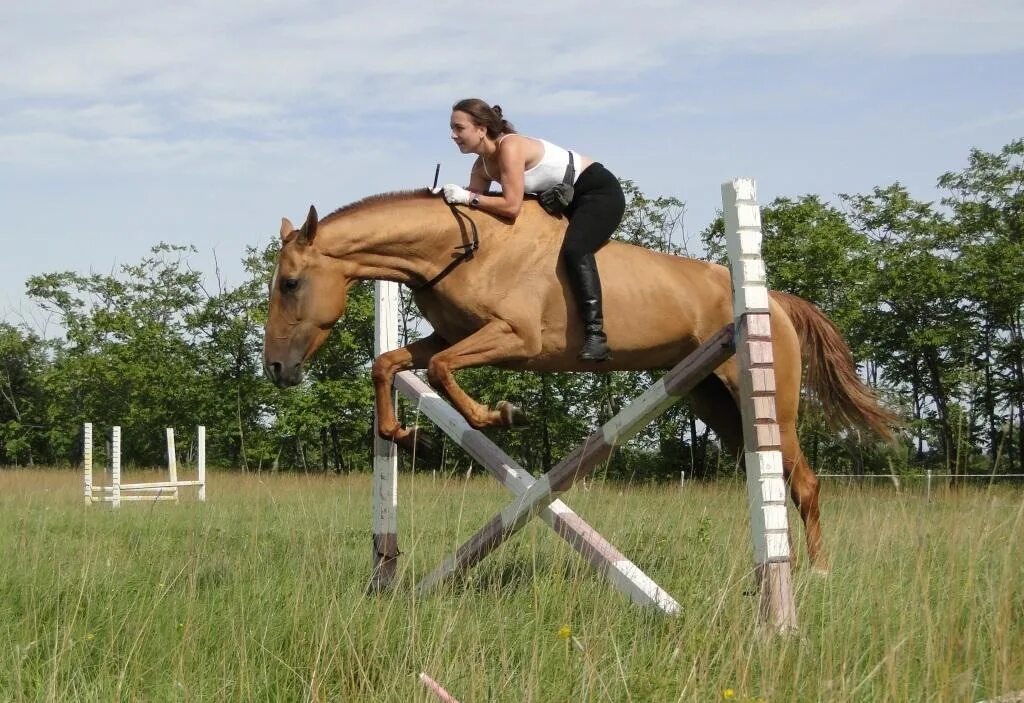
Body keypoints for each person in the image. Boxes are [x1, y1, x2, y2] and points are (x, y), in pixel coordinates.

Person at [434, 98, 626, 363]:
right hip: (564, 201)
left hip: (596, 192)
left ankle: (596, 336)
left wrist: (466, 197)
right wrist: (443, 200)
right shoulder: (481, 167)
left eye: (458, 128)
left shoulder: (510, 147)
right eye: (452, 128)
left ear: (481, 129)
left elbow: (511, 206)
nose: (453, 135)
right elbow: (475, 206)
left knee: (575, 249)